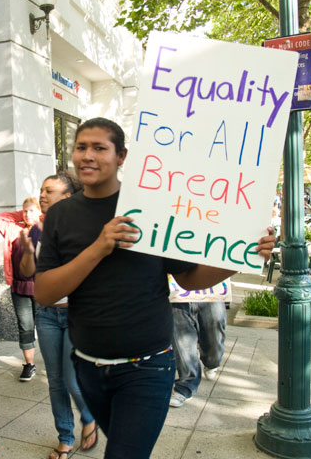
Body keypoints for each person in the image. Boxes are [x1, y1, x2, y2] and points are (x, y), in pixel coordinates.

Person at [34, 117, 275, 458]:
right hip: (88, 366)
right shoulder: (60, 215)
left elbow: (189, 278)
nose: (87, 155)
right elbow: (44, 292)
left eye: (99, 148)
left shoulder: (150, 208)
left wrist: (242, 257)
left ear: (121, 156)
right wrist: (99, 246)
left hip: (147, 367)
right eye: (81, 147)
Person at [19, 172, 98, 459]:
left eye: (49, 191)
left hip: (75, 314)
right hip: (46, 315)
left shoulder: (83, 229)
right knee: (55, 380)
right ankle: (65, 437)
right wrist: (28, 251)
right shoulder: (39, 229)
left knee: (71, 376)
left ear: (67, 197)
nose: (42, 195)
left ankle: (89, 416)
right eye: (41, 189)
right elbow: (29, 272)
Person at [0, 197, 42, 381]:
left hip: (41, 286)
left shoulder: (44, 229)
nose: (27, 214)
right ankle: (29, 365)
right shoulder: (14, 229)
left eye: (31, 210)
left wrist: (39, 217)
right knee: (25, 327)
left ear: (39, 211)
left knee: (45, 326)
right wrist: (22, 216)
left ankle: (52, 361)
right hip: (19, 287)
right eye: (25, 210)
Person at [169, 299, 226, 408]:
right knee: (181, 334)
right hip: (179, 292)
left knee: (214, 327)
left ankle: (212, 362)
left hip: (210, 290)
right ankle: (186, 385)